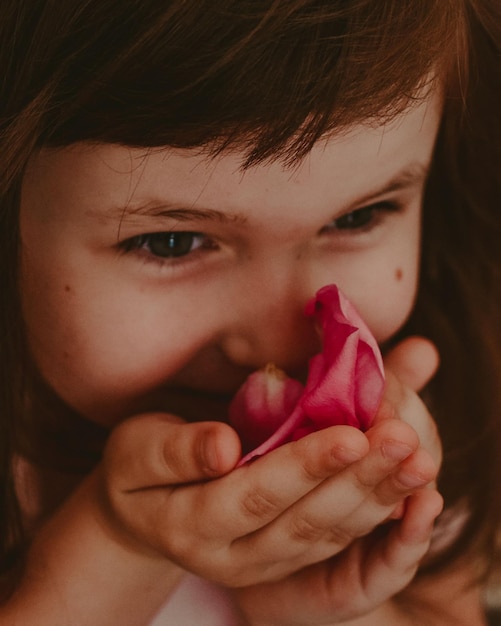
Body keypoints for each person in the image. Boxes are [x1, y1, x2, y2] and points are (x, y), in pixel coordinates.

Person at [0, 1, 500, 624]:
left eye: (356, 217)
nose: (276, 341)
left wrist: (330, 612)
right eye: (171, 242)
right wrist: (122, 544)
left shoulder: (422, 451)